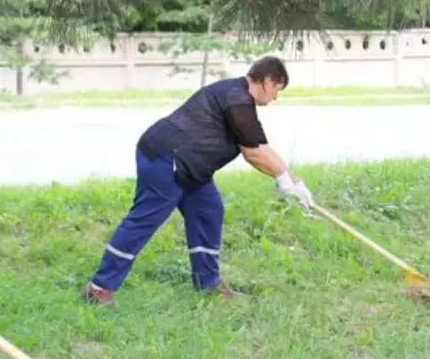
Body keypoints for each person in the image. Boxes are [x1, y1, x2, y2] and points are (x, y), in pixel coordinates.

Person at [83, 55, 313, 304]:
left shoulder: (238, 97)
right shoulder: (237, 98)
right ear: (268, 81)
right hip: (167, 159)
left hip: (190, 168)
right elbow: (253, 152)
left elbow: (261, 147)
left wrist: (296, 182)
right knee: (144, 220)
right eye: (277, 90)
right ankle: (98, 288)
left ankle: (208, 283)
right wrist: (281, 179)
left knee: (208, 211)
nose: (275, 98)